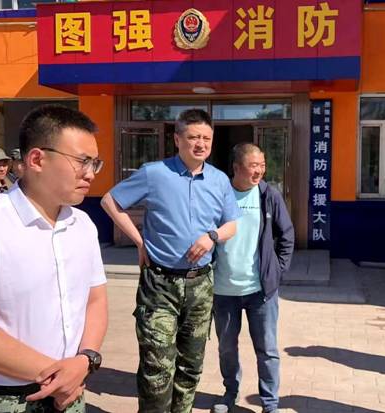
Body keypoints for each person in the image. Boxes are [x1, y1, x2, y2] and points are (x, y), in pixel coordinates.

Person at [0, 104, 108, 412]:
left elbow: (95, 300)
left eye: (95, 163)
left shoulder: (82, 225)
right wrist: (58, 375)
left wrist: (86, 359)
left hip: (70, 390)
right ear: (37, 159)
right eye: (82, 161)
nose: (91, 173)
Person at [100, 109, 240, 413]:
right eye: (193, 137)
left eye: (206, 138)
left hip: (200, 285)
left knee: (191, 365)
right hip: (159, 284)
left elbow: (232, 224)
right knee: (157, 367)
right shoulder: (155, 173)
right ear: (177, 139)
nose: (200, 144)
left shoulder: (219, 180)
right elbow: (110, 201)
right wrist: (139, 241)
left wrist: (212, 236)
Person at [212, 143, 294, 413]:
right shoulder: (219, 195)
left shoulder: (269, 195)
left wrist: (277, 271)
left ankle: (270, 403)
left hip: (261, 291)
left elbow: (287, 235)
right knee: (226, 347)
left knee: (267, 349)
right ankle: (230, 393)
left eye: (262, 165)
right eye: (253, 165)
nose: (259, 171)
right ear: (236, 167)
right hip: (224, 290)